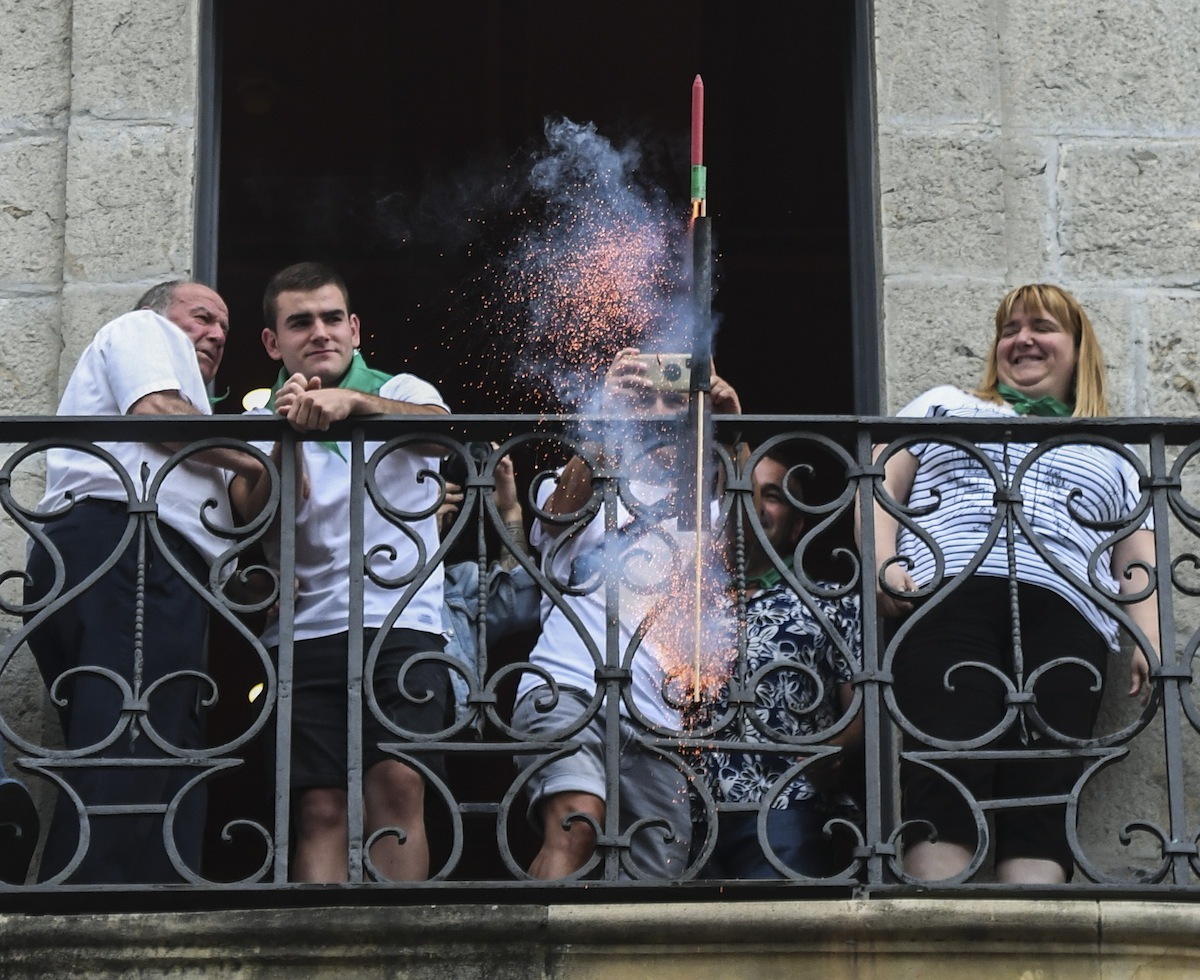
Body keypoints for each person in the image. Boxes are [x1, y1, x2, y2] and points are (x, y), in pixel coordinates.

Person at [867, 283, 1158, 884]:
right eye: (1010, 329)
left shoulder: (1115, 445)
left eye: (1042, 326)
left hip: (1067, 610)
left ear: (1077, 347)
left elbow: (1138, 554)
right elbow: (879, 480)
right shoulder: (944, 403)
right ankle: (935, 930)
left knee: (1043, 788)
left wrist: (1148, 640)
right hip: (949, 595)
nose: (1022, 339)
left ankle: (1032, 942)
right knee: (943, 770)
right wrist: (883, 563)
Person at [23, 280, 262, 883]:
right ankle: (93, 904)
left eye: (223, 329)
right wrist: (257, 451)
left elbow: (244, 504)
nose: (215, 334)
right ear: (160, 314)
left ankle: (156, 890)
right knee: (130, 733)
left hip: (149, 562)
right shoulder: (140, 330)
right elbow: (155, 413)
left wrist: (278, 452)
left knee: (156, 738)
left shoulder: (203, 423)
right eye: (202, 317)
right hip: (125, 545)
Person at [230, 262, 451, 883]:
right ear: (273, 342)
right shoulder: (255, 422)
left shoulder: (400, 388)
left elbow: (445, 436)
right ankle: (318, 941)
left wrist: (355, 403)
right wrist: (286, 435)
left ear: (354, 329)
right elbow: (261, 521)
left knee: (399, 786)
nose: (320, 332)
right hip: (301, 633)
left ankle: (397, 939)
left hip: (401, 623)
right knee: (319, 808)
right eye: (300, 322)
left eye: (332, 318)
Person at [512, 347, 741, 880]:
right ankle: (534, 938)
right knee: (576, 824)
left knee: (656, 876)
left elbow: (749, 546)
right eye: (643, 400)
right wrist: (605, 417)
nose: (659, 413)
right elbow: (555, 516)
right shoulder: (578, 481)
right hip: (565, 688)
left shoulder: (704, 505)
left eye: (674, 400)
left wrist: (732, 430)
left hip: (656, 717)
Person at [697, 447, 863, 879]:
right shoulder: (684, 601)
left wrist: (831, 752)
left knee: (781, 919)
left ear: (797, 525)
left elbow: (865, 706)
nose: (751, 504)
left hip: (788, 804)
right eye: (736, 491)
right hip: (685, 810)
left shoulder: (830, 600)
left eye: (770, 495)